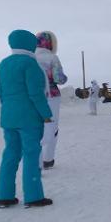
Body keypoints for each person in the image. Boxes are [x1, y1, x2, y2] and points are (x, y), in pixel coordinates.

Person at [0, 30, 53, 208]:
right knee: (30, 154)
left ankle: (4, 196)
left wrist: (9, 109)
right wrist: (46, 114)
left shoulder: (4, 64)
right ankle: (33, 196)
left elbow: (1, 92)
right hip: (28, 118)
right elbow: (35, 93)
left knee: (10, 155)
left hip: (8, 116)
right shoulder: (30, 64)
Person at [34, 31, 68, 170]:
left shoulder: (30, 57)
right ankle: (48, 159)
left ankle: (36, 162)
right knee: (51, 128)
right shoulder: (52, 58)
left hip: (34, 97)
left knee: (36, 129)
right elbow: (59, 78)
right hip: (51, 96)